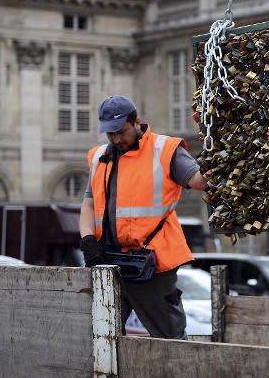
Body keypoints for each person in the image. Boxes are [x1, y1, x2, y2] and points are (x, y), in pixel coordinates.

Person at [78, 95, 206, 339]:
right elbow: (89, 204)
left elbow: (199, 181)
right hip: (108, 262)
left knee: (170, 339)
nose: (116, 139)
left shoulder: (164, 150)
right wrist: (87, 241)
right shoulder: (99, 157)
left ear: (137, 123)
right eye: (110, 134)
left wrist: (216, 154)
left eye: (121, 132)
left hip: (152, 266)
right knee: (100, 338)